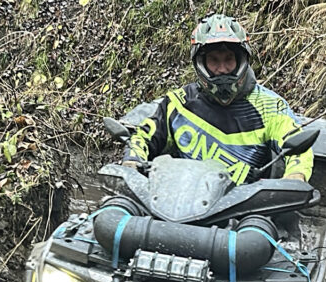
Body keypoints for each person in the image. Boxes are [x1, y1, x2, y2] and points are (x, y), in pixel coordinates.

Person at [123, 14, 313, 186]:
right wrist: (133, 159)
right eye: (214, 60)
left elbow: (296, 143)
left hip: (244, 209)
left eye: (229, 59)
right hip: (178, 200)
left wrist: (295, 175)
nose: (222, 69)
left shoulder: (270, 107)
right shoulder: (178, 103)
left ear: (242, 61)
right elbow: (145, 135)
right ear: (200, 64)